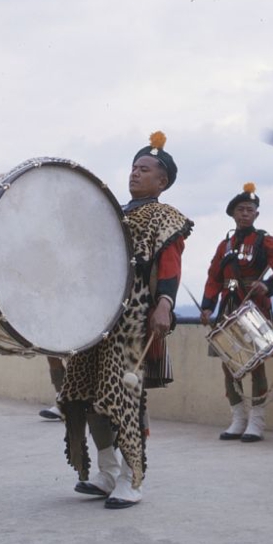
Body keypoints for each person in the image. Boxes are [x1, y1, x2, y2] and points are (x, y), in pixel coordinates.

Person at [58, 131, 193, 509]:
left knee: (123, 400)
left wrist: (164, 303)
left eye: (145, 169)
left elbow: (170, 266)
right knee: (85, 396)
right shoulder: (114, 213)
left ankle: (132, 478)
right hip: (97, 318)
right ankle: (105, 472)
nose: (135, 174)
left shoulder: (166, 218)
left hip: (133, 319)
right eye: (133, 167)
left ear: (161, 181)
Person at [200, 182, 273, 442]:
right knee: (229, 366)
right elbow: (213, 277)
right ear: (233, 214)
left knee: (256, 366)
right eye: (241, 209)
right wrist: (208, 306)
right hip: (228, 308)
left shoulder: (264, 240)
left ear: (256, 214)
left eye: (250, 210)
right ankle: (238, 419)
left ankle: (257, 422)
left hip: (253, 307)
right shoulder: (224, 245)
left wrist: (269, 285)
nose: (245, 214)